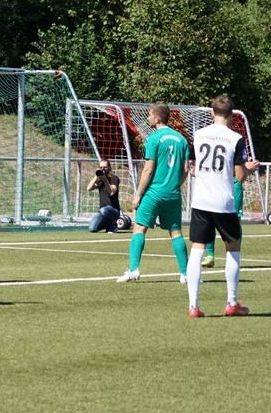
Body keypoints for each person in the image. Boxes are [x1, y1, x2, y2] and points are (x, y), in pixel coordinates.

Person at [185, 95, 260, 318]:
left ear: (212, 112)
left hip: (201, 201)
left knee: (197, 250)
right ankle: (232, 302)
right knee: (233, 248)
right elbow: (239, 176)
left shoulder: (198, 135)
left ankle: (193, 306)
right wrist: (249, 169)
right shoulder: (235, 138)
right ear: (232, 115)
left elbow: (194, 168)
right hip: (223, 202)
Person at [117, 103, 191, 283]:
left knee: (139, 228)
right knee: (176, 232)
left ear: (157, 119)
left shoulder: (153, 138)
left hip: (154, 192)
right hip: (173, 193)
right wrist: (176, 185)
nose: (148, 117)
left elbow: (148, 169)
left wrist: (138, 194)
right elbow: (186, 169)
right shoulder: (181, 139)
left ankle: (134, 269)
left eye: (150, 115)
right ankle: (185, 274)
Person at [87, 160, 121, 233]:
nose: (103, 169)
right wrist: (96, 176)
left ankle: (113, 226)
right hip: (103, 212)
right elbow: (89, 188)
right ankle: (108, 224)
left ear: (109, 168)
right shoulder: (100, 181)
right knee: (92, 229)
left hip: (113, 210)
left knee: (104, 210)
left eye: (105, 167)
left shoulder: (114, 178)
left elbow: (112, 192)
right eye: (101, 167)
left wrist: (105, 179)